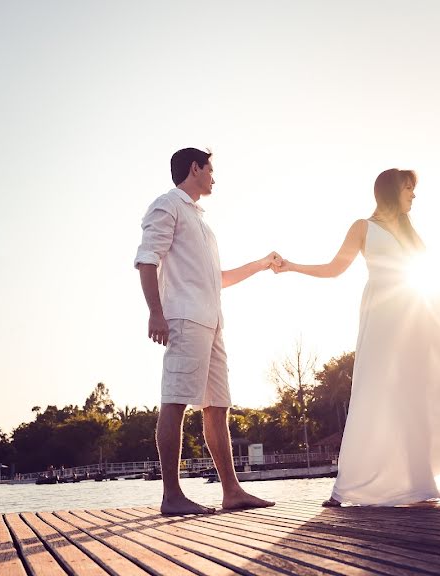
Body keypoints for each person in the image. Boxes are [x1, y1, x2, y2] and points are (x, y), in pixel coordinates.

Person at [273, 168, 440, 506]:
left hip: (419, 317)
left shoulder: (409, 233)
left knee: (419, 393)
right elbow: (334, 268)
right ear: (390, 191)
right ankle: (347, 487)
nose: (413, 195)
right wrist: (293, 266)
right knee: (374, 391)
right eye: (409, 189)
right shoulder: (363, 227)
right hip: (383, 320)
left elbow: (435, 271)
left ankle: (420, 483)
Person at [134, 147, 278, 515]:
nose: (214, 177)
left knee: (217, 407)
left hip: (212, 323)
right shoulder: (168, 205)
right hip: (183, 319)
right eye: (211, 170)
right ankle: (171, 496)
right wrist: (156, 313)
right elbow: (146, 259)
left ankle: (232, 491)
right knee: (176, 401)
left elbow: (219, 279)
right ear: (195, 168)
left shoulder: (202, 222)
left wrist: (262, 264)